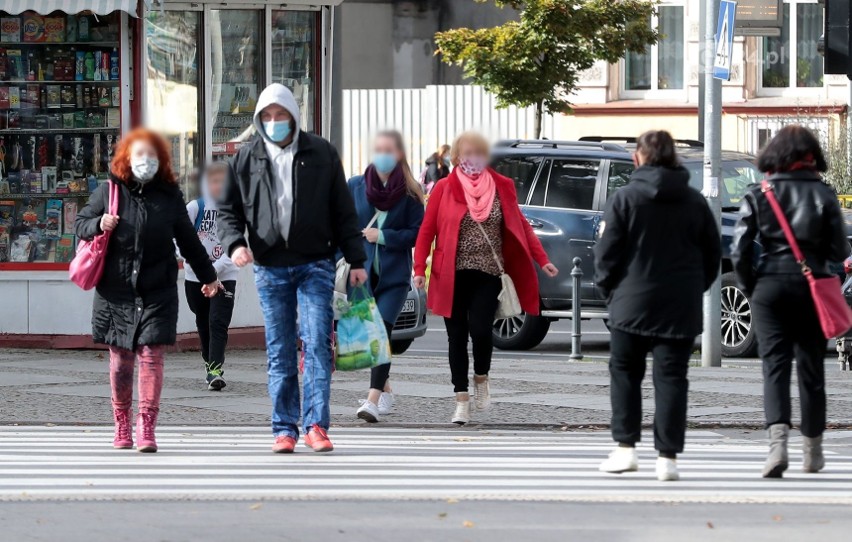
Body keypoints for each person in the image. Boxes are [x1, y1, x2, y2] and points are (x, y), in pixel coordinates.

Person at [217, 83, 367, 454]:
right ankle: (284, 427)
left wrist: (357, 259)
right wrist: (236, 244)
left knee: (317, 341)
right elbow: (227, 210)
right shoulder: (246, 158)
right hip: (270, 266)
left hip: (315, 262)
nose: (273, 123)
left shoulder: (321, 153)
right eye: (266, 117)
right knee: (280, 348)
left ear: (294, 117)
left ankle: (316, 425)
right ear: (258, 121)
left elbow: (343, 210)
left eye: (280, 116)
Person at [75, 128, 220, 453]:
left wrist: (209, 276)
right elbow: (80, 224)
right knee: (122, 360)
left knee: (152, 357)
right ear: (127, 157)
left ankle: (147, 426)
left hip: (158, 291)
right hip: (117, 292)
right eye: (140, 155)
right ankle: (122, 423)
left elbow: (189, 241)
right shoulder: (109, 191)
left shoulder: (169, 196)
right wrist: (99, 224)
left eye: (151, 156)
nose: (146, 161)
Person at [594, 130, 721, 482]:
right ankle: (667, 458)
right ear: (673, 159)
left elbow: (606, 254)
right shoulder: (695, 202)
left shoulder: (624, 198)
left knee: (624, 374)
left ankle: (625, 449)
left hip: (630, 302)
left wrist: (611, 293)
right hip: (680, 305)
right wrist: (696, 289)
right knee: (672, 379)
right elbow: (713, 256)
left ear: (638, 158)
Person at [413, 131, 558, 425]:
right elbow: (427, 230)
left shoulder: (501, 186)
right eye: (467, 154)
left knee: (480, 330)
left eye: (478, 153)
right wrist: (418, 269)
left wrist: (542, 259)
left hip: (488, 272)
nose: (472, 159)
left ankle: (481, 376)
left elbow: (522, 227)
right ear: (456, 157)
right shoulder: (444, 187)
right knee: (456, 337)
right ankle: (461, 400)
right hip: (450, 273)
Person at [732, 125, 850, 478]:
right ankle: (812, 452)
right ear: (811, 155)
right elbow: (839, 249)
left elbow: (739, 250)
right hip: (812, 286)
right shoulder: (823, 194)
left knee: (775, 368)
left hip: (770, 286)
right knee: (812, 371)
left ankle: (777, 448)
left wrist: (752, 286)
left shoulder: (760, 193)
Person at [349, 131, 425, 423]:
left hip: (394, 276)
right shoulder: (355, 186)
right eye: (378, 149)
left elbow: (416, 233)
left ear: (399, 154)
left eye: (388, 150)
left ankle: (371, 400)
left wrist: (382, 236)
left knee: (382, 332)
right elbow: (340, 225)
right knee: (369, 338)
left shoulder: (410, 192)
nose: (383, 154)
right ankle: (386, 388)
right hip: (361, 275)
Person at [183, 161, 239, 391]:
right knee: (204, 321)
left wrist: (214, 270)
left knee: (218, 322)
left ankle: (215, 370)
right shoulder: (195, 207)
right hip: (195, 276)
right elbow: (179, 239)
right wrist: (200, 267)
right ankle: (209, 362)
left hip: (225, 274)